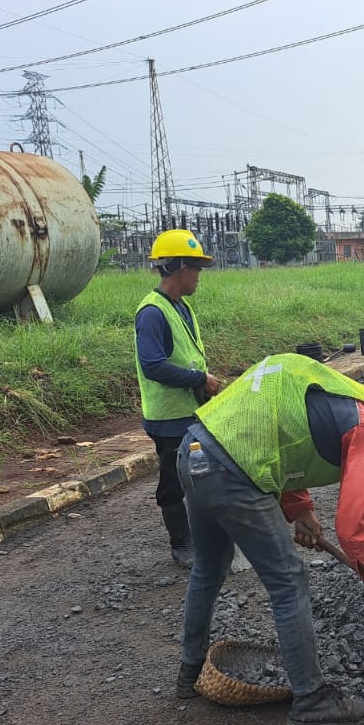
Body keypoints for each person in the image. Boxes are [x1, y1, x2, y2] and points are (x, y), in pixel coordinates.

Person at [175, 353, 364, 725]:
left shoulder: (354, 397)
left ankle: (190, 671)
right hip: (233, 471)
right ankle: (312, 701)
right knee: (289, 581)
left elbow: (281, 427)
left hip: (195, 451)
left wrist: (301, 510)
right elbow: (354, 526)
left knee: (210, 566)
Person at [135, 229, 223, 567]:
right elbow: (153, 365)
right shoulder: (152, 313)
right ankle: (181, 543)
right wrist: (199, 379)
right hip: (168, 417)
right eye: (197, 269)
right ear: (182, 268)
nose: (200, 277)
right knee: (173, 479)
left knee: (200, 472)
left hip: (190, 411)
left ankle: (204, 535)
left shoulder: (181, 307)